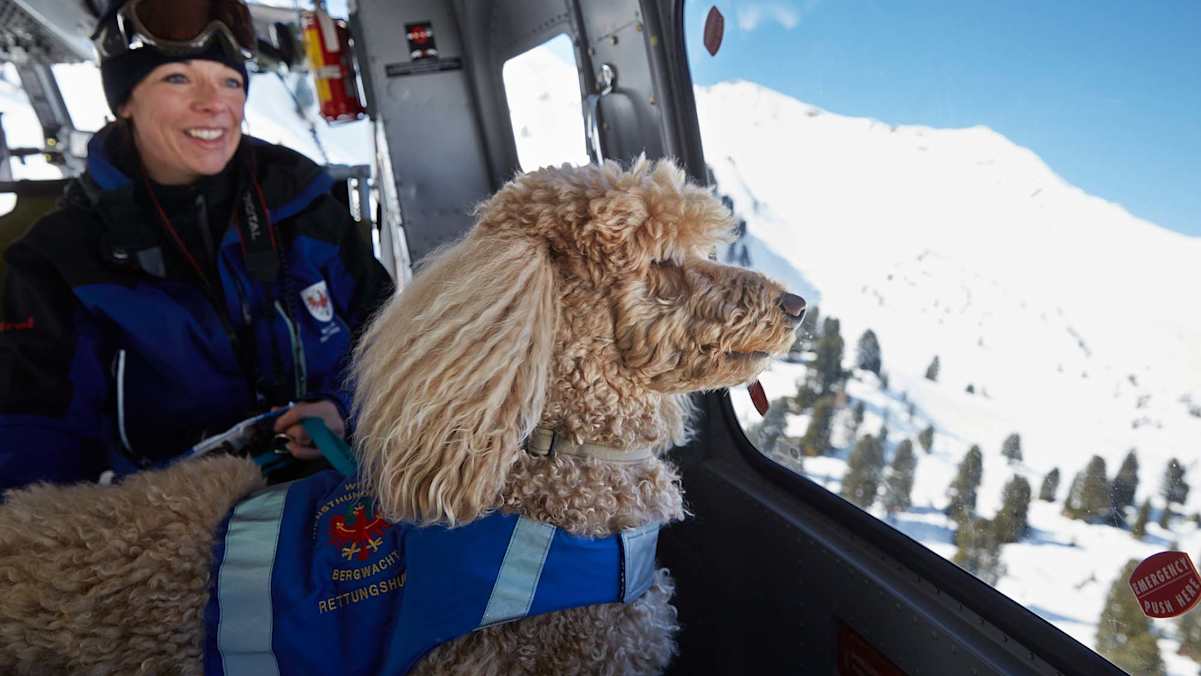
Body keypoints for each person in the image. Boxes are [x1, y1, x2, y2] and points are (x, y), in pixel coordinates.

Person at [0, 0, 393, 492]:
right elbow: (33, 438)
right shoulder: (58, 259)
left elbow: (392, 344)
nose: (214, 103)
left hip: (337, 493)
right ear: (125, 102)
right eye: (178, 79)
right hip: (165, 520)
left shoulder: (304, 207)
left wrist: (343, 408)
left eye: (229, 82)